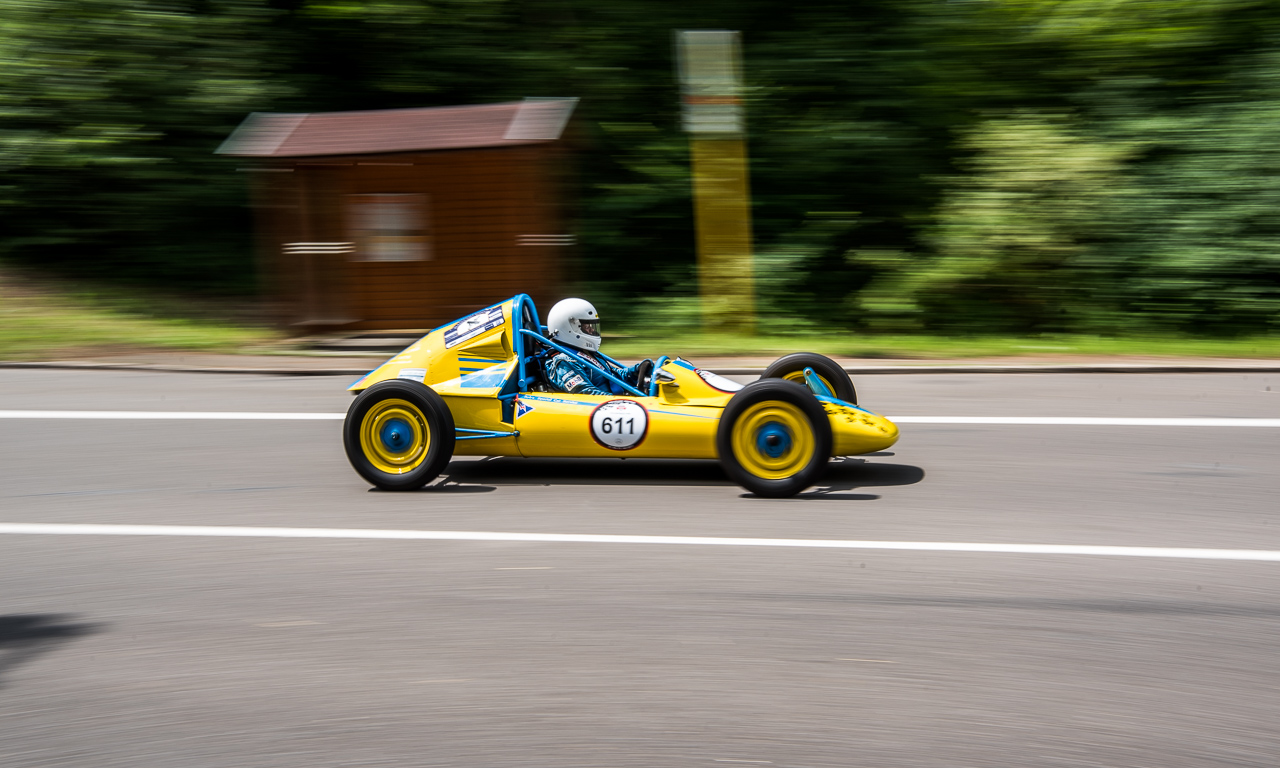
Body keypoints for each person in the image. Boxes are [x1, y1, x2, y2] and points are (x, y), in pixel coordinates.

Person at [542, 298, 647, 396]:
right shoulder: (564, 362)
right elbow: (587, 394)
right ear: (569, 329)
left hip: (615, 400)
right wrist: (627, 399)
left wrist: (636, 370)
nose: (592, 331)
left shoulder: (584, 352)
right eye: (587, 327)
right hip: (602, 407)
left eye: (592, 326)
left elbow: (612, 376)